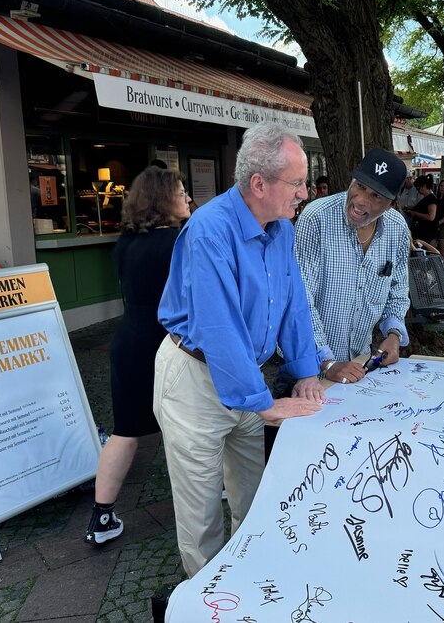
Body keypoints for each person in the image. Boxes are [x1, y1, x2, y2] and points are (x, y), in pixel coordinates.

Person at [154, 123, 324, 577]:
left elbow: (293, 302)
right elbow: (219, 327)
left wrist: (306, 370)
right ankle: (211, 599)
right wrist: (262, 403)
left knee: (253, 496)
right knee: (202, 515)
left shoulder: (281, 228)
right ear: (259, 184)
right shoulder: (209, 230)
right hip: (194, 379)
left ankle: (253, 586)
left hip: (246, 378)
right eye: (298, 182)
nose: (305, 193)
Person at [85, 166, 191, 546]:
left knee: (125, 431)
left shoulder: (126, 242)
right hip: (169, 343)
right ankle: (211, 491)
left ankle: (101, 515)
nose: (188, 198)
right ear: (165, 199)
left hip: (128, 339)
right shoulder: (180, 242)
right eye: (182, 192)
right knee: (191, 424)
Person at [295, 146, 410, 391]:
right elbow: (300, 298)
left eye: (376, 196)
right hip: (306, 369)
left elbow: (398, 291)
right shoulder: (315, 218)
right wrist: (325, 361)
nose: (360, 201)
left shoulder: (397, 228)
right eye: (359, 186)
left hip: (360, 367)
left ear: (390, 204)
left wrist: (393, 334)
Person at [405, 174, 439, 245]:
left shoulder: (431, 199)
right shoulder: (425, 198)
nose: (417, 190)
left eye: (418, 188)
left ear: (424, 186)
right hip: (421, 230)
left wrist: (415, 214)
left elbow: (431, 217)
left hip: (427, 232)